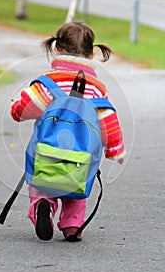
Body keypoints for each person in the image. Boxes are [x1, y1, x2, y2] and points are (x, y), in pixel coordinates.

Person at [11, 21, 125, 242]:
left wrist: (16, 109)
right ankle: (73, 226)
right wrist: (115, 149)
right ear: (92, 55)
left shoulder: (48, 83)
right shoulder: (94, 88)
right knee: (76, 187)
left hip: (47, 151)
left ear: (56, 49)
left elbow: (26, 107)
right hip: (80, 157)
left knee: (43, 183)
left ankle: (43, 205)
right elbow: (108, 118)